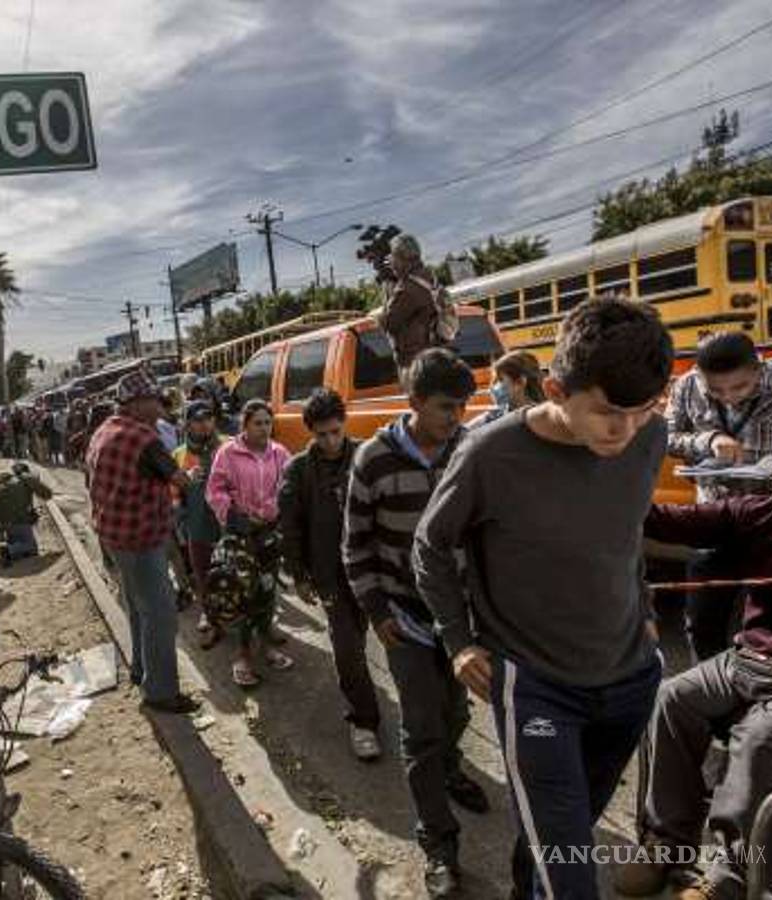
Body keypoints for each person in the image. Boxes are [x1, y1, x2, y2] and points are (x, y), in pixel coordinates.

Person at [413, 297, 675, 900]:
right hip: (537, 688)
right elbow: (430, 548)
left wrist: (649, 613)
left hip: (631, 678)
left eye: (642, 411)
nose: (626, 431)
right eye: (609, 412)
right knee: (572, 878)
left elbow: (628, 531)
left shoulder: (648, 432)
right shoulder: (489, 454)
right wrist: (458, 641)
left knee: (564, 836)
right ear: (555, 387)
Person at [343, 352, 489, 896]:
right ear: (414, 403)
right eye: (445, 407)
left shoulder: (469, 450)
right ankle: (439, 845)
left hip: (460, 623)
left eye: (462, 407)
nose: (455, 417)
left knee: (454, 713)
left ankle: (451, 771)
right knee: (421, 731)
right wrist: (377, 611)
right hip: (404, 621)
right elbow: (354, 546)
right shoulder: (373, 460)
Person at [611, 491, 772, 900]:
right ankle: (666, 842)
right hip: (750, 660)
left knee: (761, 737)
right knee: (673, 699)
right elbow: (675, 520)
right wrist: (608, 484)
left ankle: (732, 881)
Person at [665, 331, 772, 662]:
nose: (728, 398)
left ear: (758, 369)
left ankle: (767, 699)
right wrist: (707, 441)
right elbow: (666, 436)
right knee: (702, 621)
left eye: (739, 388)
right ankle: (708, 693)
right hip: (714, 519)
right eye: (716, 390)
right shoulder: (687, 385)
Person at [85, 370, 199, 715]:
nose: (160, 404)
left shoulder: (105, 430)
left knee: (137, 606)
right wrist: (195, 475)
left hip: (113, 536)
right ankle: (161, 692)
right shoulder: (144, 439)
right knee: (161, 614)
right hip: (141, 539)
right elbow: (180, 479)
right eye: (153, 399)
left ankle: (140, 669)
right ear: (136, 404)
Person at [281, 389, 383, 761]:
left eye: (335, 432)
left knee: (397, 643)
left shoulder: (366, 457)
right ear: (310, 432)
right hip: (330, 576)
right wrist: (299, 575)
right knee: (348, 649)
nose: (330, 441)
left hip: (375, 570)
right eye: (321, 434)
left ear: (345, 425)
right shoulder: (298, 471)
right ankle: (363, 720)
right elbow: (289, 528)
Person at [206, 398, 293, 688]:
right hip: (239, 536)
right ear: (244, 425)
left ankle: (266, 645)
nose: (264, 428)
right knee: (244, 592)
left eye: (268, 422)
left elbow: (289, 489)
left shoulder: (280, 453)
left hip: (269, 534)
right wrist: (235, 516)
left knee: (267, 591)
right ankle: (242, 656)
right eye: (258, 423)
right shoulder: (227, 453)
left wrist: (278, 515)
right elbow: (214, 491)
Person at [172, 401, 225, 648]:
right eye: (197, 419)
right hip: (197, 525)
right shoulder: (179, 454)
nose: (204, 423)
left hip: (228, 524)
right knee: (202, 574)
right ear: (187, 424)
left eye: (208, 417)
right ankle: (210, 613)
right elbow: (173, 495)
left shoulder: (229, 445)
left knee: (234, 570)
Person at [377, 233, 443, 383]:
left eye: (392, 258)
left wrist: (387, 297)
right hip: (435, 355)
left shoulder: (407, 289)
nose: (391, 263)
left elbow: (388, 323)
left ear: (402, 259)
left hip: (417, 364)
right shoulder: (429, 277)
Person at [0, 462, 53, 568]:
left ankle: (6, 547)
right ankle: (8, 549)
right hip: (13, 521)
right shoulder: (26, 477)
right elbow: (47, 494)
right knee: (32, 548)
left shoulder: (5, 480)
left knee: (18, 541)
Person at [469, 350, 545, 429]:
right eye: (493, 382)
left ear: (520, 382)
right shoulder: (490, 420)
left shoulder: (546, 418)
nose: (492, 388)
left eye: (500, 380)